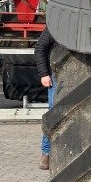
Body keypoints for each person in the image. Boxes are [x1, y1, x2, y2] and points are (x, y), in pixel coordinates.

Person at [34, 28, 56, 170]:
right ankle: (46, 153)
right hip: (57, 75)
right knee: (53, 112)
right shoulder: (57, 23)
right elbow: (40, 48)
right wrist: (44, 74)